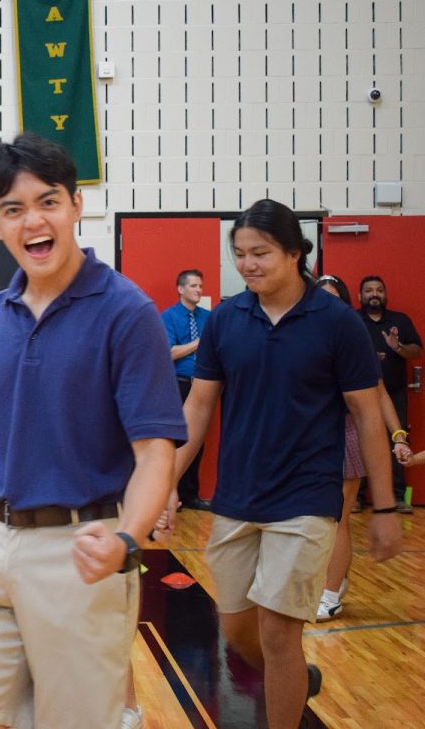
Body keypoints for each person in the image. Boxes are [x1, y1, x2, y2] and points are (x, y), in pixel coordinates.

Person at [0, 133, 186, 729]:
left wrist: (128, 539)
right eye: (14, 209)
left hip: (82, 548)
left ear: (76, 205)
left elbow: (155, 453)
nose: (34, 220)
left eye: (48, 201)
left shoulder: (126, 312)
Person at [172, 200, 402, 728]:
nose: (248, 264)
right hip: (238, 495)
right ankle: (298, 676)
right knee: (237, 633)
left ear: (296, 253)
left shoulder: (337, 324)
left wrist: (385, 506)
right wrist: (167, 478)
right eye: (240, 255)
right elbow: (199, 404)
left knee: (279, 633)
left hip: (306, 495)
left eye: (261, 253)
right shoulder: (228, 319)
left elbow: (367, 416)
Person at [313, 274, 410, 621]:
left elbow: (379, 391)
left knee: (336, 518)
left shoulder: (353, 339)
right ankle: (335, 580)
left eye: (332, 298)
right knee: (313, 521)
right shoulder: (300, 335)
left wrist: (398, 436)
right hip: (309, 438)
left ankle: (329, 595)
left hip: (346, 433)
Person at [357, 274, 421, 512]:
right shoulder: (351, 320)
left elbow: (416, 352)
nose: (374, 294)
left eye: (379, 290)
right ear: (359, 296)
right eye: (369, 290)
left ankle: (397, 497)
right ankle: (358, 496)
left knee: (398, 441)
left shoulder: (400, 321)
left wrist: (398, 347)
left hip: (393, 394)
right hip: (359, 396)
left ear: (385, 294)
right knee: (358, 443)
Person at [160, 268, 212, 511]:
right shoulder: (169, 317)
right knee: (175, 441)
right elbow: (169, 353)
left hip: (202, 384)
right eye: (194, 286)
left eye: (200, 286)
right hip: (178, 385)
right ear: (181, 289)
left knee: (197, 442)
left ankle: (190, 495)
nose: (199, 290)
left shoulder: (208, 317)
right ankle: (170, 493)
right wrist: (198, 344)